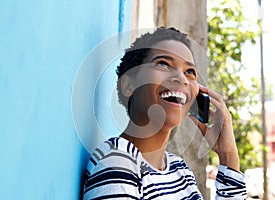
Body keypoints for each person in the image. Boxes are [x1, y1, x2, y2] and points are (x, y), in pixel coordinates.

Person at [82, 27, 247, 199]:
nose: (181, 78)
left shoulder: (179, 170)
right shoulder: (117, 164)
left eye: (189, 72)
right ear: (129, 85)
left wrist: (228, 156)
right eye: (163, 64)